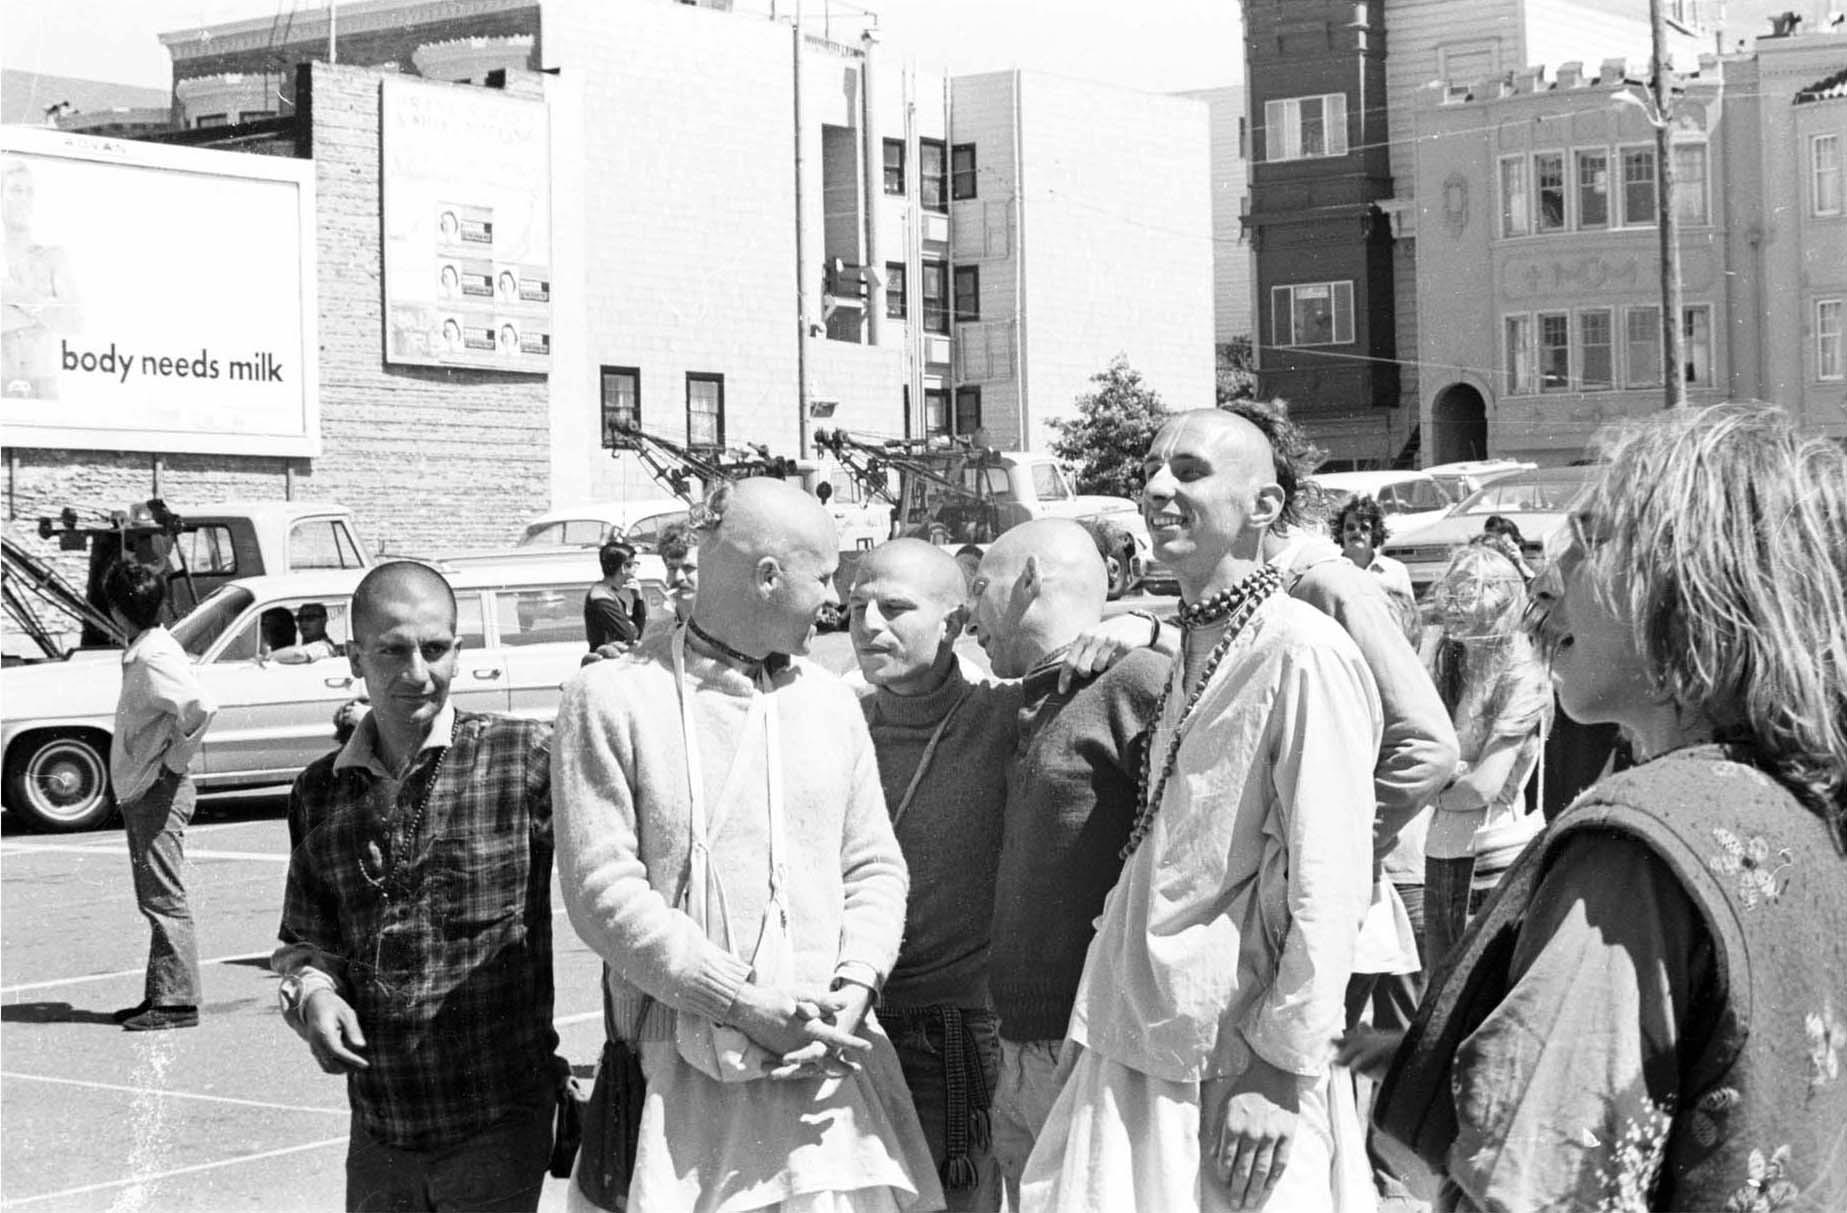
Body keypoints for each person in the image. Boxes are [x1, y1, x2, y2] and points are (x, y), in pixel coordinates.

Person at [1363, 402, 1847, 1210]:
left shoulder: (1642, 845)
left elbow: (1537, 1180)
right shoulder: (1803, 808)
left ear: (1694, 579)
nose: (1545, 587)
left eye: (1590, 538)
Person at [1022, 409, 1381, 1212]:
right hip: (1137, 1033)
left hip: (1233, 1067)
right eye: (1150, 469)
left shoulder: (1302, 650)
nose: (1155, 488)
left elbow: (1327, 885)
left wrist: (1281, 1067)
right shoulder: (1194, 639)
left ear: (1263, 506)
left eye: (1188, 471)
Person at [553, 478, 942, 1213]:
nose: (834, 602)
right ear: (768, 576)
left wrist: (854, 987)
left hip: (829, 1080)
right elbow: (603, 892)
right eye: (825, 577)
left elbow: (873, 865)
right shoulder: (610, 697)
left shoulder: (831, 702)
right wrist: (743, 1002)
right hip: (680, 1090)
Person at [272, 561, 563, 1212]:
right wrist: (313, 995)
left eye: (435, 649)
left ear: (458, 651)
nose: (417, 672)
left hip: (498, 1124)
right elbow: (303, 942)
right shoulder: (319, 791)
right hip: (379, 1129)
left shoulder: (524, 758)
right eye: (392, 649)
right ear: (354, 656)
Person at [1231, 398, 1459, 1205]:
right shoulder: (1238, 596)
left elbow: (1427, 744)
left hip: (1329, 913)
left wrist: (1327, 840)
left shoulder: (1323, 586)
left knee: (1331, 1126)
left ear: (1266, 491)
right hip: (1263, 925)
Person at [962, 519, 1169, 1206]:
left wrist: (1154, 627)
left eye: (979, 588)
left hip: (1094, 1049)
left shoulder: (1136, 678)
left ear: (1029, 580)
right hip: (1019, 1042)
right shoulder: (1028, 694)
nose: (970, 614)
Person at [850, 539, 1014, 1210]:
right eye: (855, 605)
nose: (866, 625)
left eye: (892, 608)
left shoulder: (1004, 714)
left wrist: (1139, 623)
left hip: (948, 1034)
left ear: (954, 622)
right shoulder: (842, 720)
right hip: (847, 1027)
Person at [1419, 543, 1550, 973]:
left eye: (1466, 596)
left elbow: (1482, 787)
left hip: (1489, 853)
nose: (1452, 608)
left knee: (1473, 993)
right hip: (1441, 852)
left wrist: (1432, 784)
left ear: (1497, 601)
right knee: (1438, 992)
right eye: (1449, 594)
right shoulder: (1451, 663)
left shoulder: (1522, 674)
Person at [103, 559, 215, 1032]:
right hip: (146, 789)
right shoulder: (147, 649)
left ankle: (176, 1003)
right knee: (154, 897)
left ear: (118, 611)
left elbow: (200, 707)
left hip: (157, 790)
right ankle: (162, 994)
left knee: (163, 898)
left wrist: (171, 765)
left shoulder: (154, 656)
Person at [1334, 496, 1414, 602]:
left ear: (1375, 532)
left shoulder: (1396, 571)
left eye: (1364, 528)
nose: (1357, 532)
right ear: (1341, 532)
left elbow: (1409, 614)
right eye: (1350, 527)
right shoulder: (1331, 572)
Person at [583, 536, 646, 653]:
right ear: (623, 567)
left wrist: (638, 598)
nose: (636, 569)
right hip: (604, 665)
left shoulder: (609, 594)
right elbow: (630, 636)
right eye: (633, 564)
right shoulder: (601, 599)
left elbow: (636, 632)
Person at [269, 602, 340, 664]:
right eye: (300, 619)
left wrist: (268, 657)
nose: (303, 623)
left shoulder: (323, 646)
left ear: (323, 620)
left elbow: (298, 655)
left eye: (310, 618)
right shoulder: (308, 645)